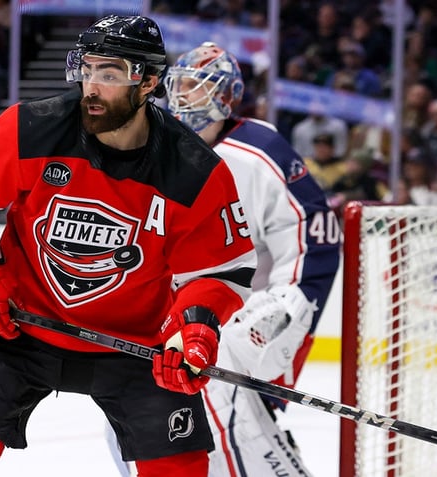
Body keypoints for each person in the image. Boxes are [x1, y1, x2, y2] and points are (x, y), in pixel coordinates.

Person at [0, 15, 256, 477]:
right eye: (88, 69)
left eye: (110, 73)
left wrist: (194, 327)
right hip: (21, 332)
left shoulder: (194, 171)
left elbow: (222, 270)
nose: (91, 87)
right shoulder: (31, 129)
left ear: (149, 82)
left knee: (182, 468)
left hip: (137, 347)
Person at [107, 41, 342, 477]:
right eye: (181, 86)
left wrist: (290, 304)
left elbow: (315, 233)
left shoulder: (259, 148)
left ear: (226, 97)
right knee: (128, 427)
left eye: (198, 86)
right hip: (165, 317)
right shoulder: (155, 145)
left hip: (238, 317)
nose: (184, 96)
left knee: (222, 416)